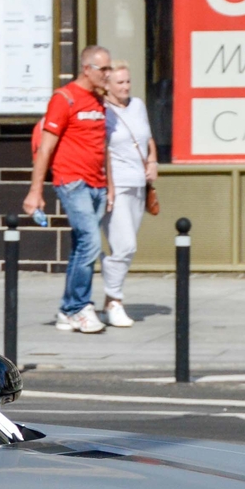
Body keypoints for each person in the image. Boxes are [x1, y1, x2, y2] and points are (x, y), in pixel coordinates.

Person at [22, 43, 113, 334]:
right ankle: (78, 308)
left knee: (80, 247)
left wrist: (109, 186)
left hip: (96, 184)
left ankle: (67, 309)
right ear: (87, 69)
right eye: (104, 69)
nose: (108, 74)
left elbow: (104, 147)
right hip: (71, 181)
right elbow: (46, 148)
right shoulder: (65, 98)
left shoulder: (99, 101)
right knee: (91, 242)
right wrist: (35, 191)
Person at [97, 61, 158, 328]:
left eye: (128, 81)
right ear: (107, 85)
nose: (125, 87)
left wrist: (153, 161)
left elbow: (146, 138)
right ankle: (115, 302)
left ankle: (108, 294)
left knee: (125, 248)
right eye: (119, 82)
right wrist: (108, 187)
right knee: (126, 246)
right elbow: (102, 151)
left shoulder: (138, 105)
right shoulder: (102, 111)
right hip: (117, 185)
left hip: (138, 184)